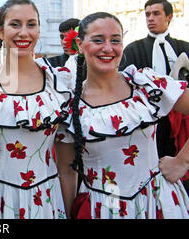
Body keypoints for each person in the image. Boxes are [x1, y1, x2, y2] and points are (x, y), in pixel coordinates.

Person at [66, 12, 189, 219]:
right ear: (80, 44)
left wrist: (182, 161)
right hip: (102, 208)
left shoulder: (145, 84)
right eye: (98, 40)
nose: (108, 48)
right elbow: (66, 171)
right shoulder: (68, 102)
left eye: (115, 40)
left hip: (156, 203)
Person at [0, 0, 77, 219]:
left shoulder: (60, 83)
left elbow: (67, 168)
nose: (24, 33)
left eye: (31, 24)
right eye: (15, 24)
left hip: (46, 200)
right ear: (0, 30)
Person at [121, 0, 189, 191]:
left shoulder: (185, 47)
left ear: (169, 17)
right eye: (147, 14)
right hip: (149, 122)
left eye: (156, 13)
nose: (150, 18)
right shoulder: (133, 49)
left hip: (184, 120)